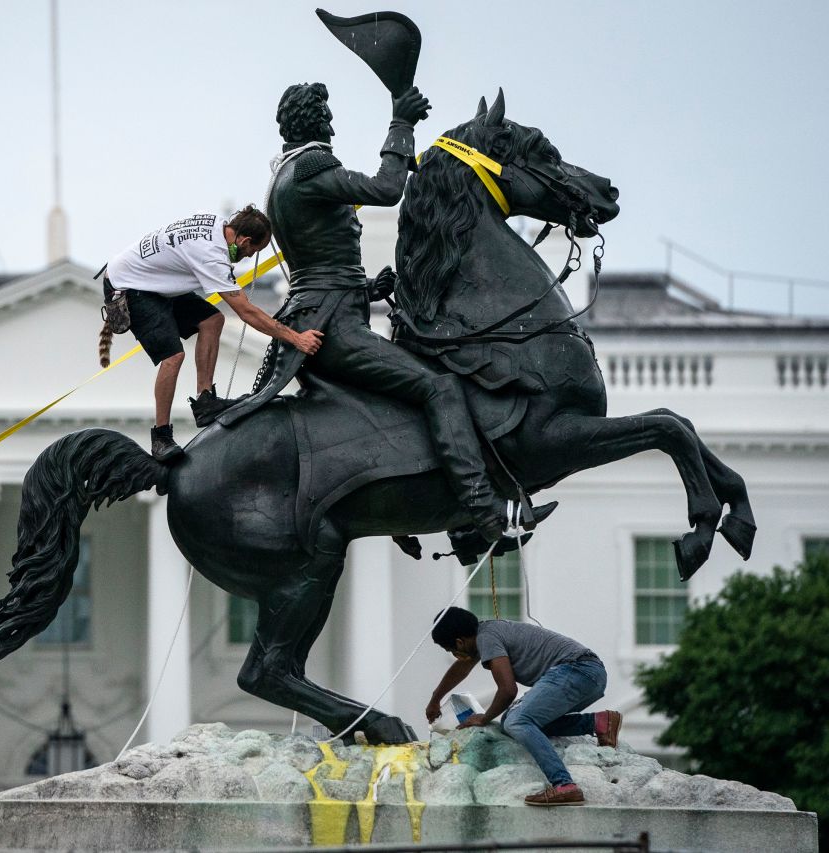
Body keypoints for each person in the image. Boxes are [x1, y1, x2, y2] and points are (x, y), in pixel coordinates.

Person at [215, 82, 510, 544]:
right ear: (315, 122)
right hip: (333, 330)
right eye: (327, 116)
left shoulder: (282, 179)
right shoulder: (311, 167)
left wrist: (367, 288)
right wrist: (402, 123)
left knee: (402, 394)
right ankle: (482, 510)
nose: (332, 125)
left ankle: (417, 507)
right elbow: (386, 188)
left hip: (324, 312)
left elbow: (316, 266)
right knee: (439, 386)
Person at [102, 206, 323, 463]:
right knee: (173, 356)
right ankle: (160, 437)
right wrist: (297, 338)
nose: (251, 257)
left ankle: (205, 401)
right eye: (254, 251)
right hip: (129, 286)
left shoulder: (217, 224)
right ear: (244, 240)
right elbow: (247, 312)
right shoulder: (211, 256)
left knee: (212, 320)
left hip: (153, 280)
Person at [426, 607, 623, 806]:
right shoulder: (485, 636)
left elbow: (508, 690)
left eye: (452, 651)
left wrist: (483, 718)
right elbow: (462, 668)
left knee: (516, 721)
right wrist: (436, 698)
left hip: (576, 669)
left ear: (460, 642)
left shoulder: (487, 638)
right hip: (590, 674)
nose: (455, 655)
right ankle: (599, 722)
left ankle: (564, 786)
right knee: (523, 725)